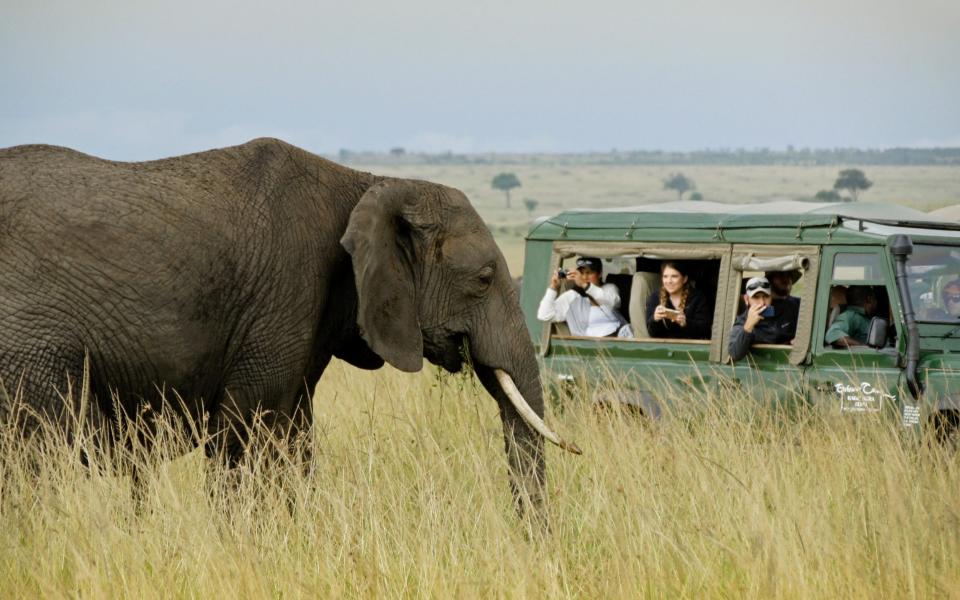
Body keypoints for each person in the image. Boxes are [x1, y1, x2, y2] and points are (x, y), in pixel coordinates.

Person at [537, 256, 629, 337]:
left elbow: (612, 302)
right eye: (581, 273)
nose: (585, 277)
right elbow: (544, 315)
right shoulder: (573, 296)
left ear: (600, 274)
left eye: (589, 273)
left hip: (614, 339)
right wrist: (553, 287)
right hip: (586, 346)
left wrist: (585, 285)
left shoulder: (609, 289)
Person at [728, 276, 799, 361]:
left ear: (771, 296)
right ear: (746, 299)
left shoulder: (786, 311)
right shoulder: (742, 322)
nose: (762, 302)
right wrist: (748, 326)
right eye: (756, 297)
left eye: (766, 296)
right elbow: (735, 353)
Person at [645, 261, 712, 339]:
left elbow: (705, 330)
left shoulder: (698, 298)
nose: (669, 281)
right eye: (665, 276)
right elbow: (652, 333)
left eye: (674, 276)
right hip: (663, 347)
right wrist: (655, 319)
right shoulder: (655, 297)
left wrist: (686, 323)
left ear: (684, 279)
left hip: (691, 348)